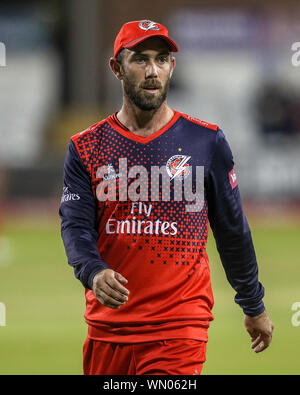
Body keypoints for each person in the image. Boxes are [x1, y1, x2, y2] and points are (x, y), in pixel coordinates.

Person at [59, 20, 274, 375]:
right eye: (140, 60)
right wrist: (93, 272)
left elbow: (232, 231)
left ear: (172, 66)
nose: (153, 71)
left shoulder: (207, 142)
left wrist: (253, 303)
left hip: (179, 328)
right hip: (108, 329)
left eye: (161, 59)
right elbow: (76, 226)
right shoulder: (86, 147)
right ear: (116, 68)